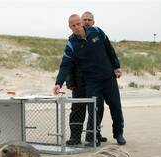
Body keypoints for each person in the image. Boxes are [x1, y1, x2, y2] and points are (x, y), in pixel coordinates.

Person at [54, 14, 126, 145]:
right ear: (70, 27)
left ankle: (119, 134)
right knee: (95, 109)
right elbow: (65, 64)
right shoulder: (71, 43)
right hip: (91, 81)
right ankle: (91, 138)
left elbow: (109, 49)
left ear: (82, 23)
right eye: (73, 26)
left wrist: (117, 66)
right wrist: (59, 82)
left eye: (78, 24)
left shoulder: (97, 32)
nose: (76, 27)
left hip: (108, 77)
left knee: (115, 105)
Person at [65, 11, 107, 146]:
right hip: (78, 82)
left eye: (89, 20)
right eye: (84, 20)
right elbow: (68, 63)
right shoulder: (72, 41)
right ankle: (75, 137)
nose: (85, 23)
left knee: (96, 108)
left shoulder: (96, 36)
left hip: (95, 82)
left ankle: (95, 135)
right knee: (77, 109)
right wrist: (70, 81)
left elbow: (104, 57)